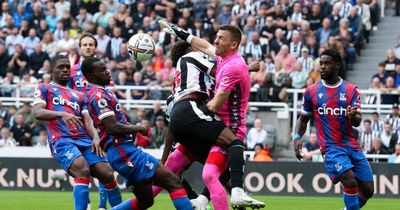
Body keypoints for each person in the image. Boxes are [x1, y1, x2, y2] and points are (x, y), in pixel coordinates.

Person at [159, 20, 265, 208]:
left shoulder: (230, 67)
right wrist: (181, 33)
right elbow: (205, 45)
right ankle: (201, 199)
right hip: (210, 123)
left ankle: (232, 193)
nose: (215, 41)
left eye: (220, 38)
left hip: (228, 125)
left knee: (210, 172)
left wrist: (193, 114)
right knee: (196, 171)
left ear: (232, 44)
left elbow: (215, 105)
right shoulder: (221, 60)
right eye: (216, 37)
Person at [81, 57, 192, 210]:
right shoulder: (98, 95)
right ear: (91, 76)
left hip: (121, 152)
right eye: (102, 70)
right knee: (173, 181)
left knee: (145, 201)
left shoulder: (100, 91)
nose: (107, 71)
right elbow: (112, 127)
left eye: (106, 68)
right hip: (123, 152)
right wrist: (138, 128)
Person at [33, 55, 121, 210]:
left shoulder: (79, 95)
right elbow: (38, 112)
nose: (66, 69)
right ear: (51, 69)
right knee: (82, 169)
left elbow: (87, 120)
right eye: (61, 67)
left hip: (85, 140)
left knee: (107, 174)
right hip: (61, 139)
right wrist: (62, 114)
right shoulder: (44, 88)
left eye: (68, 66)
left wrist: (95, 137)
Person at [293, 49, 374, 210]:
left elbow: (357, 121)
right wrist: (296, 137)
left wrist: (354, 115)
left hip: (351, 145)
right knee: (350, 181)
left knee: (367, 190)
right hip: (330, 147)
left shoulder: (351, 90)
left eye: (326, 63)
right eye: (320, 63)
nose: (322, 67)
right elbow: (303, 119)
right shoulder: (311, 92)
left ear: (337, 65)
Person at [68, 32, 121, 209]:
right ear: (80, 47)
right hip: (80, 124)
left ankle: (101, 206)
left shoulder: (102, 68)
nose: (88, 47)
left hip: (100, 121)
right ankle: (87, 203)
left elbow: (110, 91)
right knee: (81, 165)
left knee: (103, 165)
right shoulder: (72, 70)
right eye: (84, 44)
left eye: (91, 44)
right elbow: (67, 94)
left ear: (95, 47)